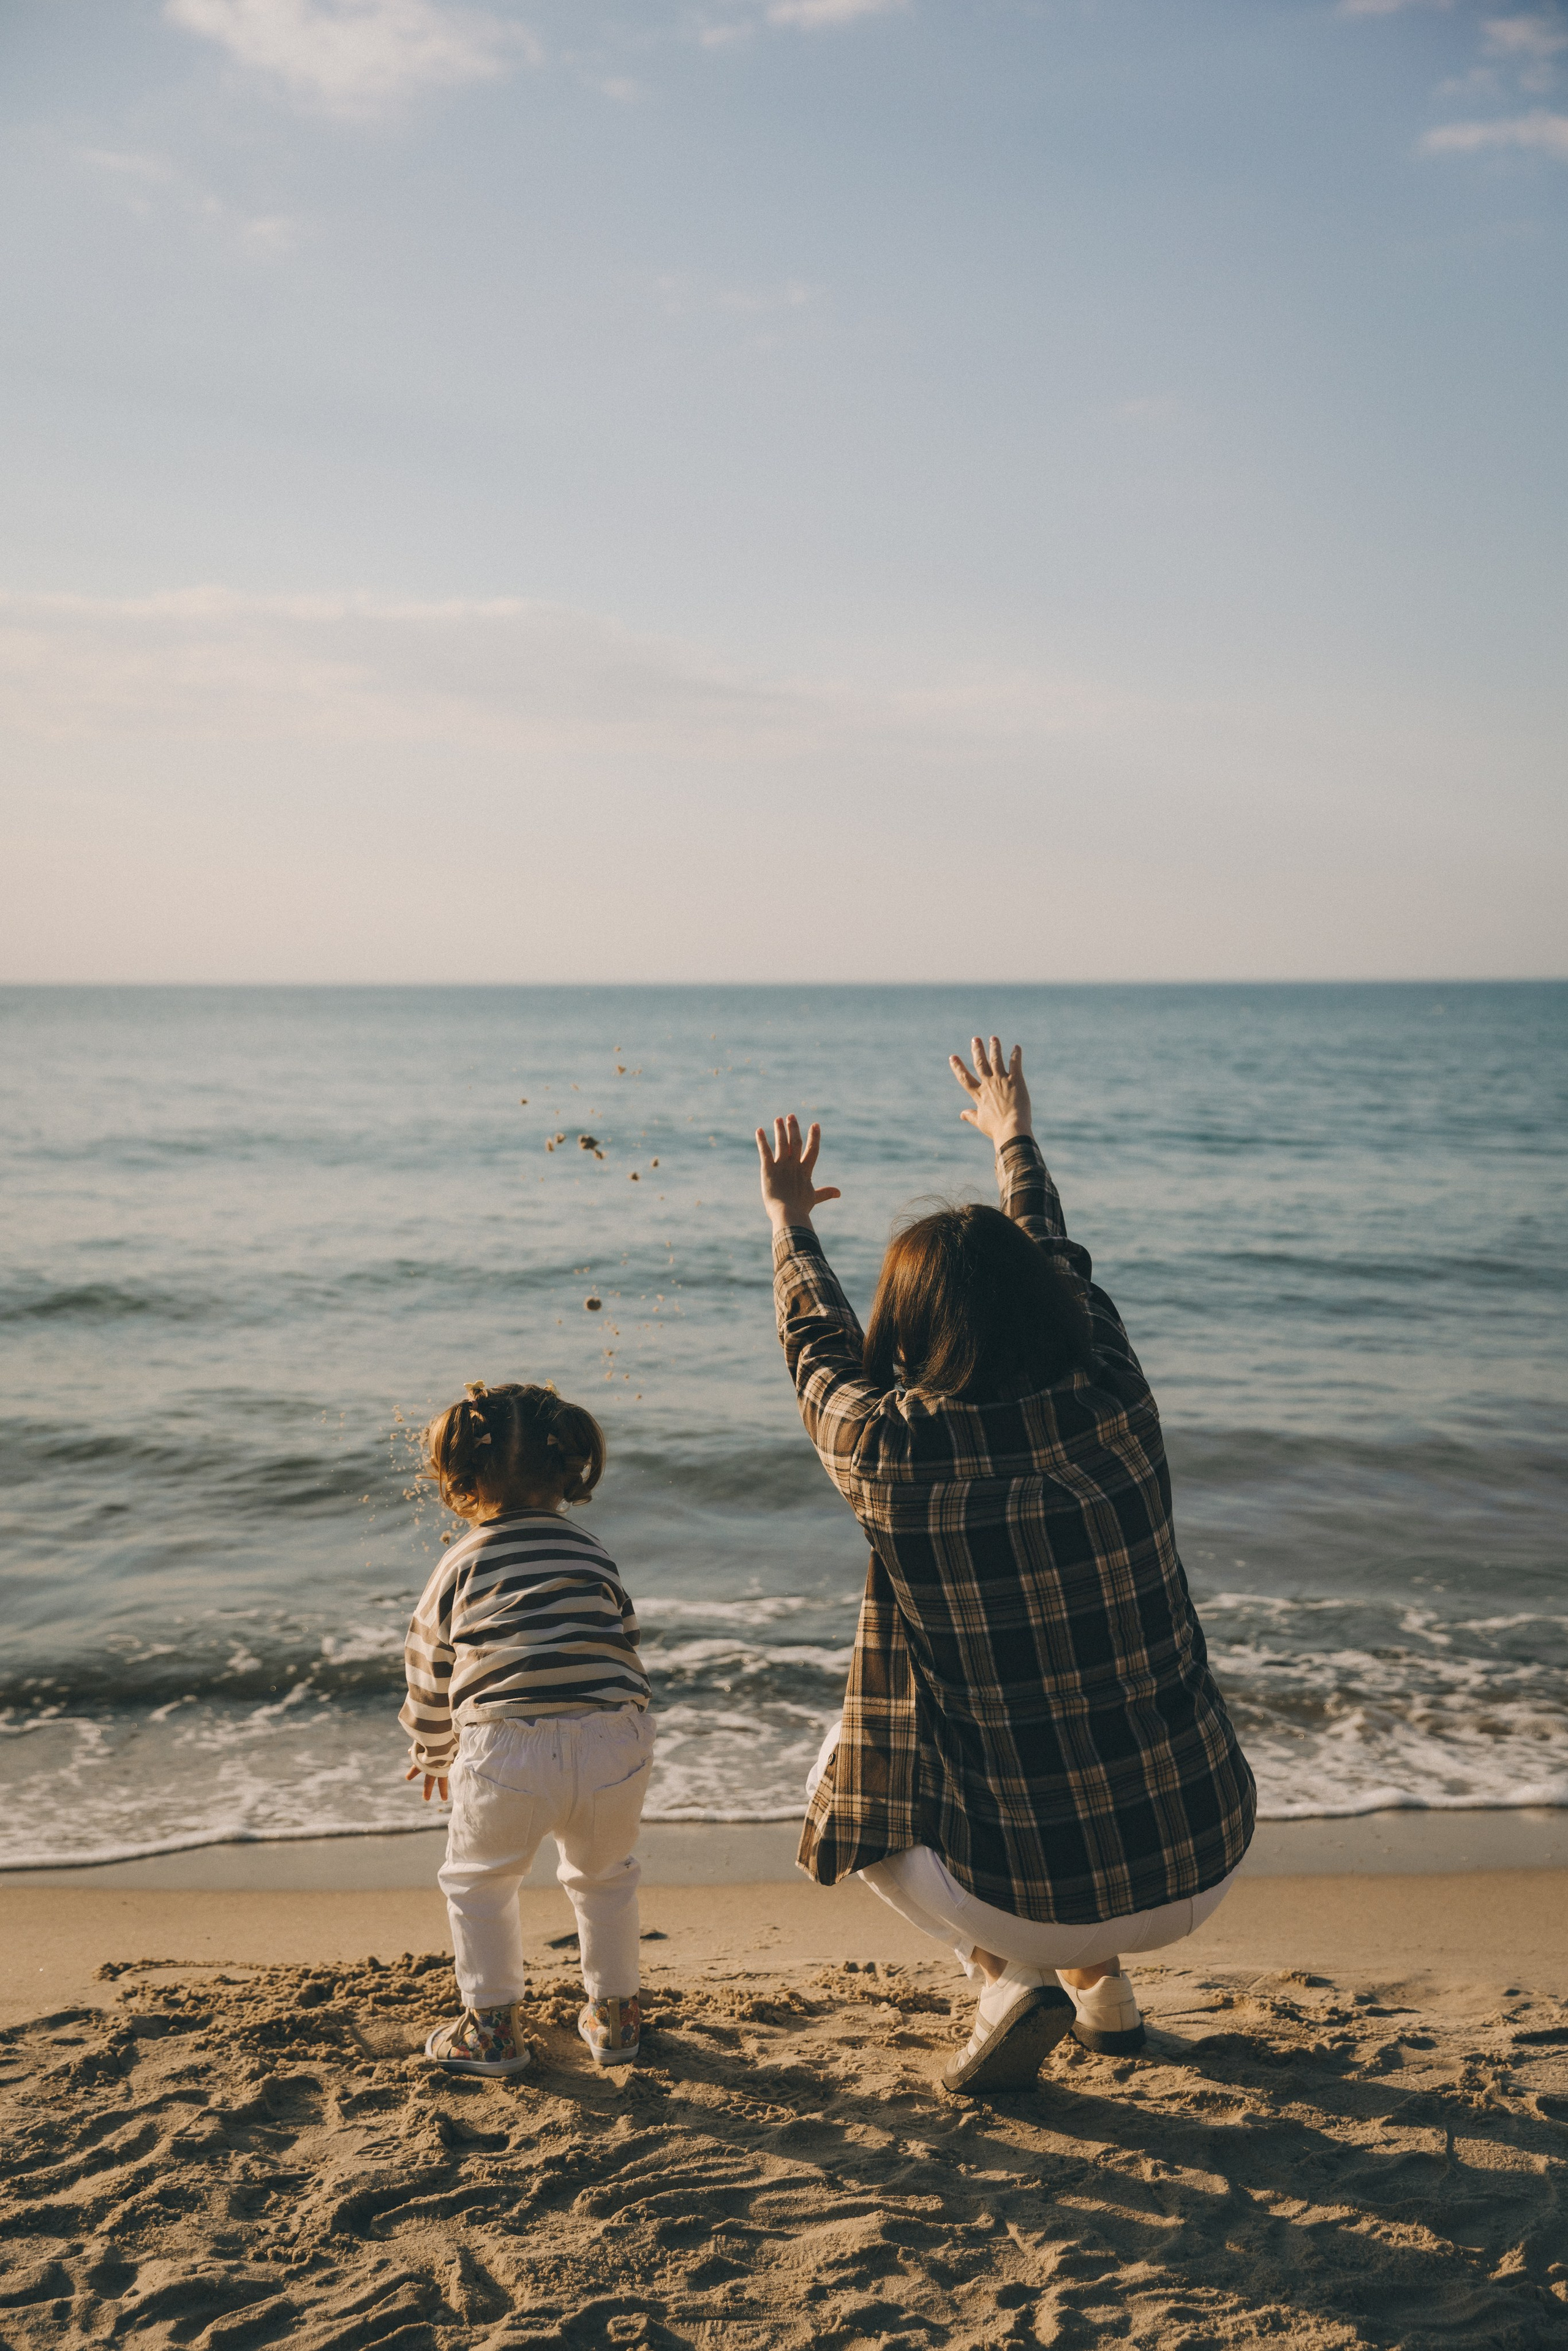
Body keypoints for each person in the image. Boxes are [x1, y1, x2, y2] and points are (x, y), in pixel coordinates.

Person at [756, 1039, 1256, 2095]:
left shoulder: (892, 1452)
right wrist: (1011, 1135)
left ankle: (1002, 1973)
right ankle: (1105, 1993)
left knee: (848, 1769)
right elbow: (1055, 1253)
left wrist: (791, 1221)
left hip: (1020, 1886)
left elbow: (818, 1350)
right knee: (1054, 1743)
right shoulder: (1117, 1396)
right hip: (1199, 1850)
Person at [401, 1380, 654, 2076]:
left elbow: (429, 1662)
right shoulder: (591, 1551)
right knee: (605, 1877)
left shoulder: (461, 1560)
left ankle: (491, 2032)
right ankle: (616, 2017)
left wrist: (433, 1751)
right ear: (568, 1472)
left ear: (461, 1480)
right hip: (613, 1735)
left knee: (479, 1882)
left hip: (506, 1746)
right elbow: (624, 1637)